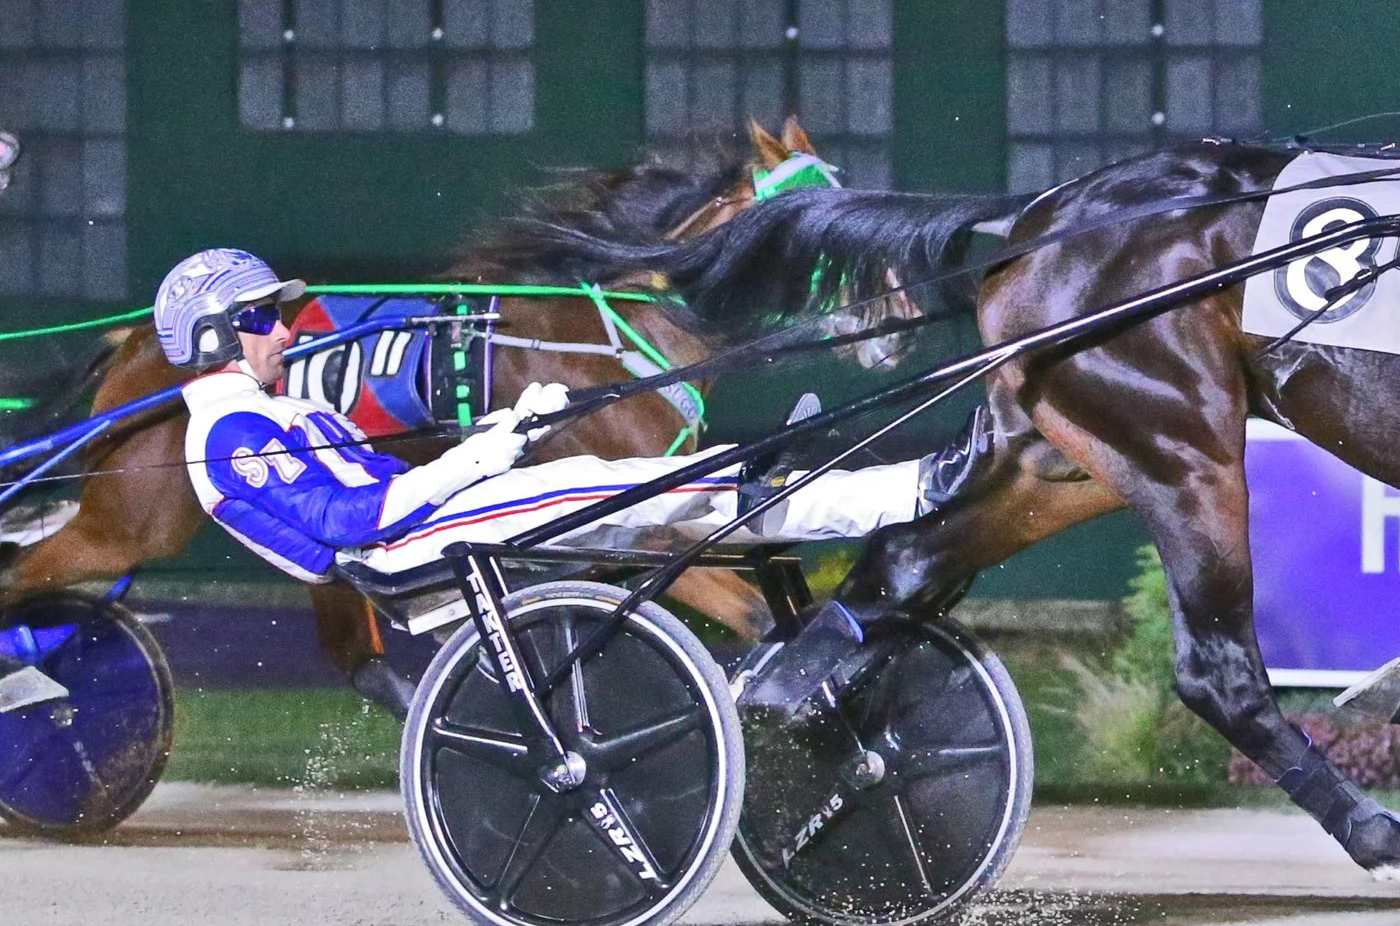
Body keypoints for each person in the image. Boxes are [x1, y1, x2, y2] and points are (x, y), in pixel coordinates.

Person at [153, 248, 974, 587]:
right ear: (217, 336)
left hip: (432, 523)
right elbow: (347, 520)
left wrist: (505, 433)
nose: (286, 330)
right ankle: (905, 490)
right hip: (408, 546)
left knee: (661, 494)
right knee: (632, 485)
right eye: (263, 318)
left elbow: (384, 486)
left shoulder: (271, 411)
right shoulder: (226, 434)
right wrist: (484, 456)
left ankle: (866, 492)